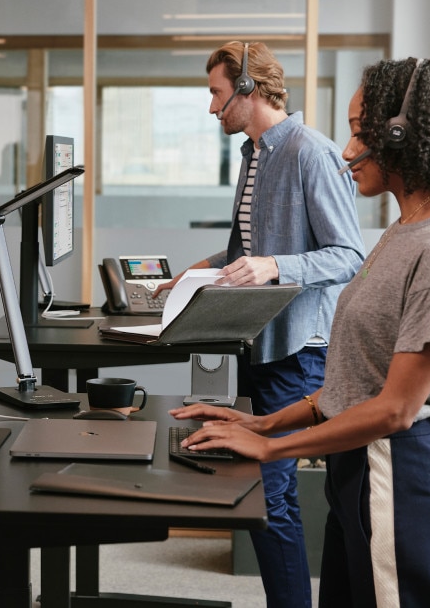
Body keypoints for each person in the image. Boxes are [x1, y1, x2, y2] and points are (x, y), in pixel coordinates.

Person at [169, 57, 430, 608]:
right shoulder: (405, 230)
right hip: (360, 467)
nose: (347, 151)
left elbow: (394, 409)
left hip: (401, 472)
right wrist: (266, 422)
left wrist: (270, 448)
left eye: (359, 133)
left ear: (402, 135)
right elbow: (359, 383)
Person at [155, 41, 365, 608]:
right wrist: (187, 276)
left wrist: (276, 265)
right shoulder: (254, 155)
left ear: (248, 88)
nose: (211, 107)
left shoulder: (309, 153)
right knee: (257, 492)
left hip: (299, 351)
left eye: (216, 94)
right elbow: (240, 253)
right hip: (258, 342)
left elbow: (350, 255)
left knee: (272, 499)